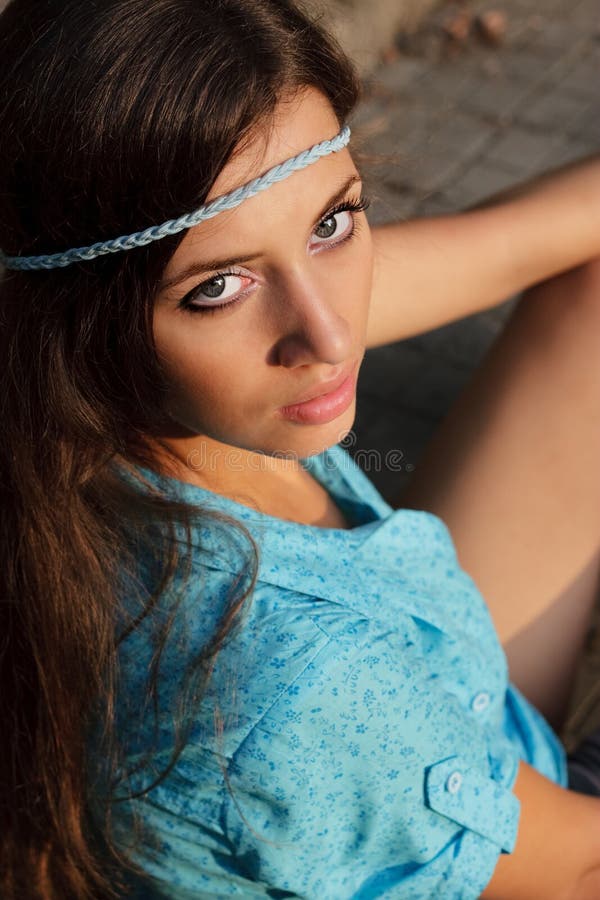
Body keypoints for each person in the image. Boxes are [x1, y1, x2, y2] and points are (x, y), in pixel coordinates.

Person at [1, 0, 600, 898]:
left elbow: (513, 243)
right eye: (222, 286)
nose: (329, 335)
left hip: (432, 722)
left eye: (333, 222)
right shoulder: (300, 684)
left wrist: (250, 273)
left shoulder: (66, 393)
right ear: (86, 325)